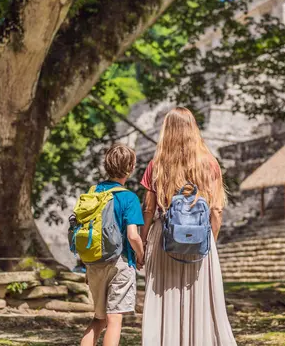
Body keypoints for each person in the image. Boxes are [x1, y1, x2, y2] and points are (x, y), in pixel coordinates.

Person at [139, 107, 237, 346]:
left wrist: (142, 243)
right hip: (200, 236)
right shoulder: (209, 164)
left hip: (165, 237)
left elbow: (149, 210)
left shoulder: (157, 165)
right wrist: (209, 240)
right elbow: (216, 209)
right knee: (200, 299)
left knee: (165, 297)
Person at [80, 143, 145, 346]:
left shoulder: (93, 192)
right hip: (119, 262)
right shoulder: (129, 198)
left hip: (93, 262)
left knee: (98, 319)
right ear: (131, 167)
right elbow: (133, 236)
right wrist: (141, 255)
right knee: (115, 318)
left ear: (106, 165)